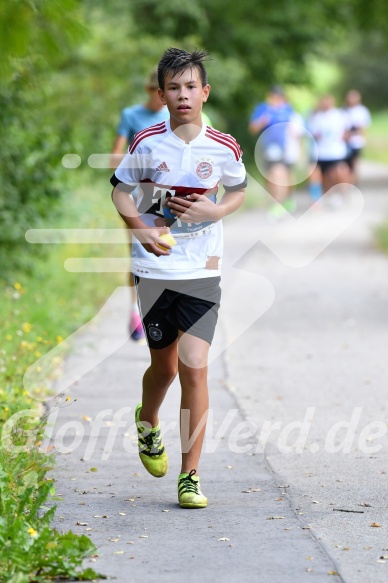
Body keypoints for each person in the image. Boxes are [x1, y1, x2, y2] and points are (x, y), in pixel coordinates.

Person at [110, 48, 247, 508]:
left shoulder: (224, 146)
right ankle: (147, 421)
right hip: (154, 268)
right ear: (162, 94)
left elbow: (239, 189)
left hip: (202, 268)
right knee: (164, 367)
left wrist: (217, 208)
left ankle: (190, 475)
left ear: (204, 92)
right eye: (174, 87)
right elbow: (120, 191)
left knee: (194, 366)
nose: (183, 95)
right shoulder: (146, 141)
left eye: (191, 86)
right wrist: (140, 227)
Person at [111, 70, 170, 341]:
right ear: (149, 90)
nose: (162, 100)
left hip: (161, 194)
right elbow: (115, 155)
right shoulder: (131, 115)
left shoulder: (173, 118)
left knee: (164, 251)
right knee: (137, 253)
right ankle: (136, 309)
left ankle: (159, 311)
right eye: (158, 93)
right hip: (135, 195)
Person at [248, 86, 299, 218]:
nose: (275, 99)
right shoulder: (263, 108)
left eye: (278, 96)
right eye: (273, 96)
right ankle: (276, 202)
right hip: (267, 149)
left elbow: (295, 128)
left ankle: (279, 203)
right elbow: (252, 129)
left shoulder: (287, 109)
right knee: (270, 177)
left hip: (285, 149)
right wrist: (262, 121)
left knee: (281, 175)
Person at [307, 94, 351, 205]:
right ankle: (318, 197)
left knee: (339, 172)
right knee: (318, 176)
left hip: (336, 152)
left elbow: (347, 131)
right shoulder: (316, 117)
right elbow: (312, 133)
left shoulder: (340, 114)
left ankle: (340, 193)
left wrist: (343, 138)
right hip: (321, 153)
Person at [344, 90, 371, 185]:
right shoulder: (344, 110)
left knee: (354, 163)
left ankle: (354, 181)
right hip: (345, 142)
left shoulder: (362, 111)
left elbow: (362, 129)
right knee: (346, 164)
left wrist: (351, 133)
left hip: (357, 142)